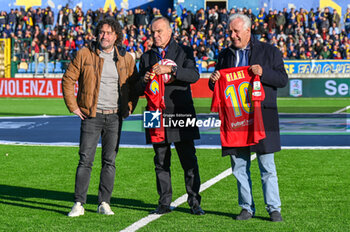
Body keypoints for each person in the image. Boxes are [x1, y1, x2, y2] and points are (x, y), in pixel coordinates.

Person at [209, 14, 288, 222]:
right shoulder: (225, 55)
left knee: (267, 166)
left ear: (247, 31)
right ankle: (246, 207)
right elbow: (216, 84)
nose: (232, 35)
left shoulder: (270, 51)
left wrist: (263, 73)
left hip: (261, 118)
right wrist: (213, 79)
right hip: (235, 120)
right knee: (239, 166)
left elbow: (282, 79)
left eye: (236, 31)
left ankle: (274, 208)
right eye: (230, 32)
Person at [62, 18, 138, 217]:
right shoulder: (84, 53)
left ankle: (104, 202)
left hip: (115, 118)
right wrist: (73, 106)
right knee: (85, 160)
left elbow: (134, 86)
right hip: (91, 116)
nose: (105, 36)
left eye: (109, 33)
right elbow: (68, 79)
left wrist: (130, 106)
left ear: (116, 36)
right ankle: (79, 203)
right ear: (97, 34)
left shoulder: (126, 58)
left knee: (109, 162)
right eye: (102, 32)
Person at [134, 17, 204, 215]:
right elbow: (138, 89)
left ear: (170, 32)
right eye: (153, 32)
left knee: (188, 158)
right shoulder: (146, 57)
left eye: (159, 32)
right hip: (154, 113)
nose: (155, 36)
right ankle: (164, 202)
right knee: (160, 159)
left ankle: (195, 202)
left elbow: (194, 75)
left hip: (180, 110)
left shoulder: (184, 51)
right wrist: (144, 79)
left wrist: (171, 69)